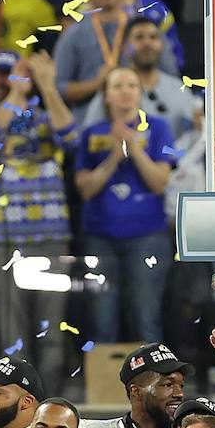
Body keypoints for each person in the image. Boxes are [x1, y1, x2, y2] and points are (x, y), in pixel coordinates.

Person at [0, 49, 77, 393]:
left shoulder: (47, 118)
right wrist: (18, 89)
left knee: (52, 328)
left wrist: (47, 86)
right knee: (11, 330)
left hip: (49, 234)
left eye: (11, 73)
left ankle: (53, 403)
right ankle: (16, 402)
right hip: (2, 240)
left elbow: (71, 138)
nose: (6, 80)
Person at [74, 68, 175, 342]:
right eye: (117, 85)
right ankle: (105, 384)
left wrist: (133, 147)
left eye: (132, 85)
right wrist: (114, 158)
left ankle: (154, 383)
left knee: (145, 314)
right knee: (101, 317)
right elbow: (85, 189)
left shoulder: (160, 128)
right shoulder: (91, 134)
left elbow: (159, 182)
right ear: (106, 95)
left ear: (140, 94)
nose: (126, 91)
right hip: (100, 237)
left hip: (148, 236)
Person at [55, 0, 179, 118]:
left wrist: (139, 80)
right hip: (89, 127)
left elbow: (171, 76)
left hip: (145, 121)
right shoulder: (73, 35)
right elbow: (59, 87)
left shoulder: (146, 31)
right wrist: (96, 84)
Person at [81, 17, 198, 138]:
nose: (147, 43)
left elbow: (195, 134)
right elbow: (90, 137)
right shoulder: (113, 88)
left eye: (153, 37)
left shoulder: (179, 88)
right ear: (125, 47)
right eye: (139, 37)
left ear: (161, 45)